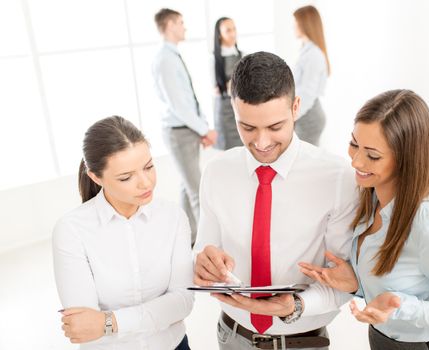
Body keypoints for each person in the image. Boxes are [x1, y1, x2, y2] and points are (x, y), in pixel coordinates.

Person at [299, 90, 429, 350]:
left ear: (406, 159)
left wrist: (402, 306)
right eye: (354, 144)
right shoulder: (370, 202)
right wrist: (357, 284)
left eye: (373, 155)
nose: (356, 160)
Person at [193, 51, 358, 350]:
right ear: (233, 110)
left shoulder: (337, 178)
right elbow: (203, 249)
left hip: (302, 342)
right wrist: (203, 263)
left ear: (296, 107)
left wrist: (295, 305)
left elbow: (346, 280)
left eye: (274, 127)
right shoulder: (216, 172)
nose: (262, 142)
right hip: (232, 337)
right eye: (248, 128)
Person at [53, 116, 194, 350]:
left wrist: (109, 322)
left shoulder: (173, 217)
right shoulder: (71, 230)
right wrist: (156, 314)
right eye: (126, 177)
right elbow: (84, 326)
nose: (145, 183)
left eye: (149, 167)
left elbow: (182, 302)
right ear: (96, 177)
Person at [152, 8, 217, 244]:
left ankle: (187, 237)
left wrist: (201, 126)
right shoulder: (165, 59)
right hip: (179, 132)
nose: (184, 27)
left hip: (186, 130)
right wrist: (204, 130)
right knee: (197, 190)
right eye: (180, 22)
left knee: (186, 185)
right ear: (169, 25)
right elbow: (179, 104)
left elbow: (187, 97)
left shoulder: (172, 56)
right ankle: (207, 246)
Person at [292, 5, 330, 146]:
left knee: (306, 162)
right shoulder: (306, 50)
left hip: (309, 117)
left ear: (304, 24)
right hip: (305, 114)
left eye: (295, 23)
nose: (293, 27)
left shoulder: (313, 54)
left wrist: (292, 116)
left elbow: (307, 93)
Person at [212, 17, 243, 150]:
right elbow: (215, 90)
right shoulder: (213, 58)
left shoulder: (242, 55)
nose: (233, 33)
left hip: (241, 110)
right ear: (219, 35)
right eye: (228, 30)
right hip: (225, 112)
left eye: (234, 29)